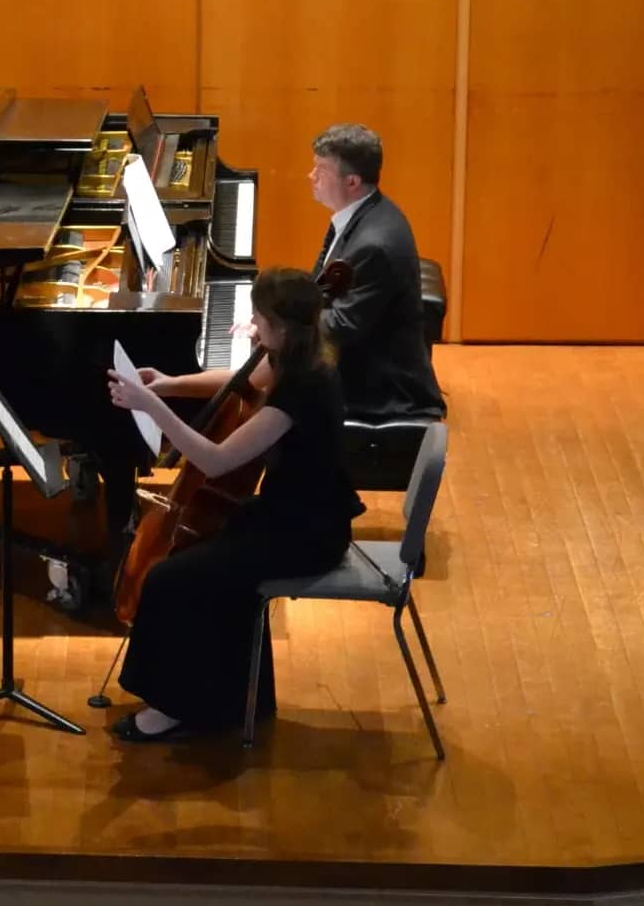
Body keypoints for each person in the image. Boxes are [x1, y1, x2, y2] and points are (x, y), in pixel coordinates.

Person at [103, 268, 364, 741]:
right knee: (209, 568)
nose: (253, 324)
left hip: (307, 533)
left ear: (281, 327)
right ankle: (239, 699)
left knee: (170, 577)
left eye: (259, 318)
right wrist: (168, 384)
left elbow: (216, 460)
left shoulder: (300, 389)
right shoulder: (300, 359)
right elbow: (243, 381)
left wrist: (149, 406)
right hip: (291, 513)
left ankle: (172, 708)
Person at [305, 124, 445, 422]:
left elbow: (342, 324)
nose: (311, 177)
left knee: (281, 404)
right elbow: (320, 286)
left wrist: (278, 327)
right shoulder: (358, 215)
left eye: (321, 170)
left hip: (379, 392)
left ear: (352, 181)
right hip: (362, 362)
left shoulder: (374, 245)